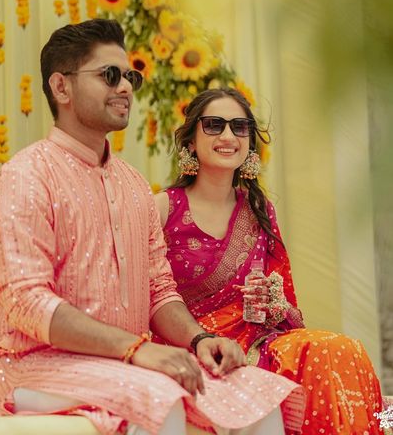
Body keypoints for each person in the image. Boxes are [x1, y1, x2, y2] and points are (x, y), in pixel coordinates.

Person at [0, 20, 305, 435]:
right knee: (160, 397)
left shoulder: (132, 185)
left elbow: (160, 290)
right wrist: (136, 349)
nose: (126, 88)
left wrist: (200, 341)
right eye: (109, 76)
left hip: (120, 363)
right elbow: (27, 302)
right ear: (61, 88)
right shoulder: (26, 176)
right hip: (32, 365)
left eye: (129, 76)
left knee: (255, 393)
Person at [155, 87, 383, 435]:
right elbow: (148, 293)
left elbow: (285, 307)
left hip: (255, 340)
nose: (228, 136)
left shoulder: (258, 211)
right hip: (191, 344)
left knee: (339, 348)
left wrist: (272, 303)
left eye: (239, 126)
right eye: (214, 125)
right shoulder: (162, 208)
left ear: (249, 142)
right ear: (190, 140)